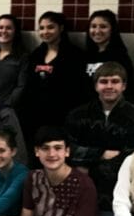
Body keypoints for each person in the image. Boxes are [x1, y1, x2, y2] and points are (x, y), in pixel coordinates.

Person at [65, 62, 134, 216]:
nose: (109, 86)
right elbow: (69, 149)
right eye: (103, 82)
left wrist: (90, 164)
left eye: (115, 81)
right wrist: (100, 154)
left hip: (116, 192)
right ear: (95, 86)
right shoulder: (78, 115)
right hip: (82, 187)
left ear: (124, 86)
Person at [19, 11, 87, 152]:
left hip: (62, 118)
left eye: (50, 27)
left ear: (61, 28)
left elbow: (78, 90)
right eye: (42, 28)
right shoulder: (36, 55)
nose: (45, 32)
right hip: (36, 119)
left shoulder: (74, 55)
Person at [84, 9, 134, 97]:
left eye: (103, 26)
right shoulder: (86, 56)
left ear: (112, 29)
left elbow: (126, 90)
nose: (97, 31)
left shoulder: (120, 57)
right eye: (93, 26)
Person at [0, 14, 28, 108]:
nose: (4, 31)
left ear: (15, 32)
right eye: (0, 27)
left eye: (8, 28)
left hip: (9, 109)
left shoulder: (23, 58)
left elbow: (21, 87)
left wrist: (5, 106)